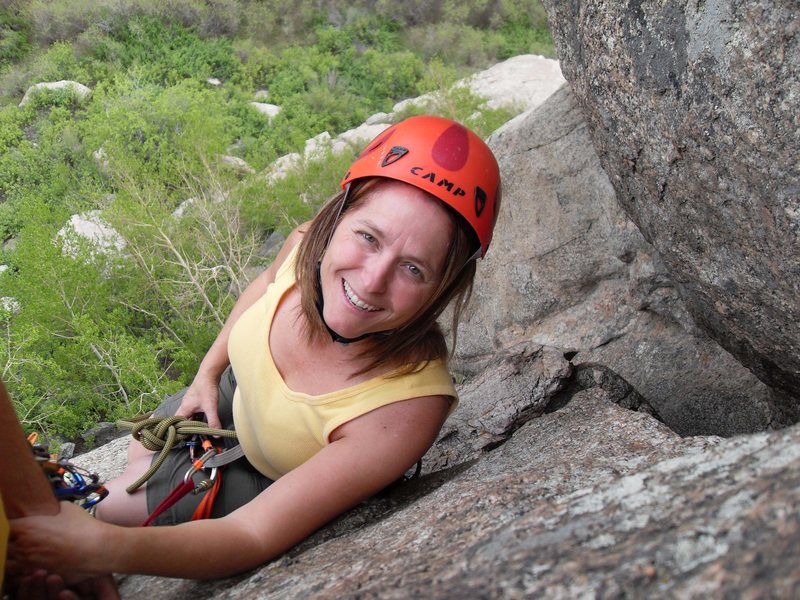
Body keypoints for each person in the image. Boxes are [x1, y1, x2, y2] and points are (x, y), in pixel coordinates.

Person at [6, 115, 501, 592]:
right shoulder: (306, 247)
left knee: (100, 507)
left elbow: (252, 533)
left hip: (265, 476)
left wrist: (103, 549)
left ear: (443, 288)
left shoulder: (405, 408)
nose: (372, 281)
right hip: (225, 403)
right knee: (131, 467)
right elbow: (264, 289)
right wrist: (208, 371)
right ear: (338, 214)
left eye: (414, 269)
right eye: (368, 237)